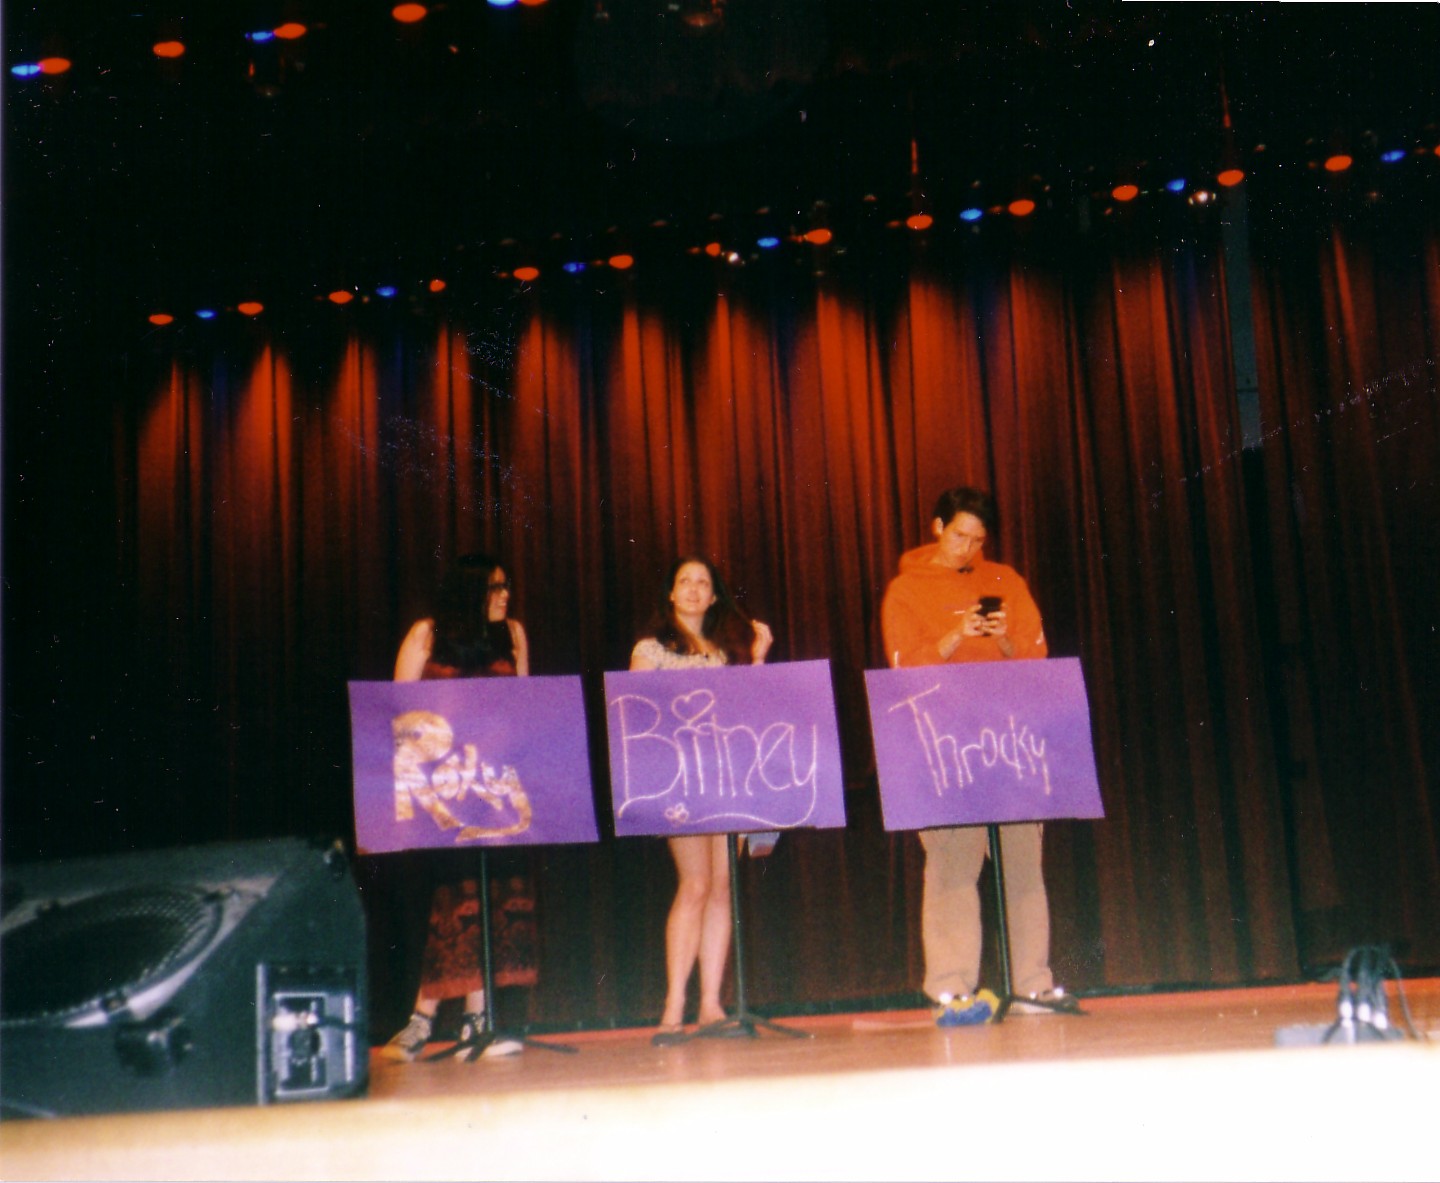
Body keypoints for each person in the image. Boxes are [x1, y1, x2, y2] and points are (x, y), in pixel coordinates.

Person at [880, 487, 1066, 1023]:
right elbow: (901, 670)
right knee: (952, 868)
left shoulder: (1006, 581)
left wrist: (1005, 640)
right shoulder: (906, 589)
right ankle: (951, 988)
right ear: (938, 526)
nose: (968, 547)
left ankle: (1034, 983)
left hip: (1009, 739)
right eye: (959, 534)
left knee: (1023, 864)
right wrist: (955, 636)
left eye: (978, 539)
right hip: (944, 743)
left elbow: (1038, 657)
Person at [381, 553, 532, 1062]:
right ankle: (421, 1019)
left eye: (506, 585)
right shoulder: (427, 634)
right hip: (441, 794)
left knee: (496, 896)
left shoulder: (511, 634)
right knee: (455, 899)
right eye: (494, 587)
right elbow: (398, 711)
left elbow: (527, 703)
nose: (505, 595)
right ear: (469, 592)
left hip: (496, 789)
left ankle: (478, 1020)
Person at [630, 555, 773, 1046]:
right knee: (693, 884)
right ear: (670, 593)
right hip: (679, 780)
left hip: (727, 778)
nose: (693, 589)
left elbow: (752, 712)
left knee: (721, 888)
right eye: (684, 581)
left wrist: (757, 657)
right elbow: (637, 716)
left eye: (703, 583)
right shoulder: (650, 649)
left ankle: (712, 1004)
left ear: (714, 597)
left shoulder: (726, 651)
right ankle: (673, 1007)